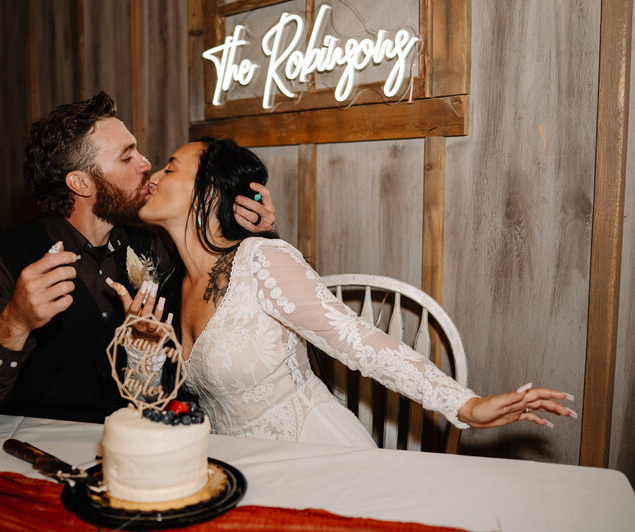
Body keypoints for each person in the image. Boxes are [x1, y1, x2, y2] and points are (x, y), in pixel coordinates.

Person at [107, 138, 577, 447]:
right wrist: (145, 353)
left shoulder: (262, 261)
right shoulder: (163, 285)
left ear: (210, 191)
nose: (153, 176)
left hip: (315, 454)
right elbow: (153, 405)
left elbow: (361, 342)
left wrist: (465, 405)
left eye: (170, 168)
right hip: (238, 472)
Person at [0, 92, 276, 430]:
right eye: (127, 157)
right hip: (37, 460)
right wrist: (15, 322)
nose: (146, 164)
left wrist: (252, 231)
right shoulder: (1, 260)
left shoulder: (155, 246)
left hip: (140, 450)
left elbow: (227, 296)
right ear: (81, 182)